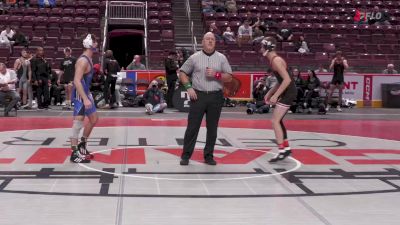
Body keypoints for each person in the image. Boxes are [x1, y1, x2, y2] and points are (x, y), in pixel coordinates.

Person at [179, 32, 233, 166]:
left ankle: (208, 156)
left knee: (212, 128)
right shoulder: (194, 57)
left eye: (212, 39)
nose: (210, 41)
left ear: (215, 42)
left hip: (215, 96)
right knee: (192, 127)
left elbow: (230, 77)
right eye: (207, 39)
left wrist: (217, 74)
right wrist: (189, 87)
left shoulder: (222, 58)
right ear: (202, 42)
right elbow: (182, 73)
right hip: (199, 95)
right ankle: (186, 155)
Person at [260, 37, 297, 162]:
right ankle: (285, 148)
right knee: (278, 120)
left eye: (262, 47)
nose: (260, 49)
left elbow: (287, 80)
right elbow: (281, 81)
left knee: (275, 121)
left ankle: (281, 150)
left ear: (267, 48)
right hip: (287, 91)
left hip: (289, 92)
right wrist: (270, 93)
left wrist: (276, 95)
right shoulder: (274, 60)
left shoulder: (276, 61)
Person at [70, 33, 99, 163]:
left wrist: (88, 96)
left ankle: (82, 145)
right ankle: (74, 153)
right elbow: (76, 81)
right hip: (80, 94)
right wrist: (84, 98)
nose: (97, 44)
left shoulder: (89, 59)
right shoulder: (82, 61)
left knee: (93, 119)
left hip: (86, 93)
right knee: (78, 123)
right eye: (95, 42)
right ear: (89, 44)